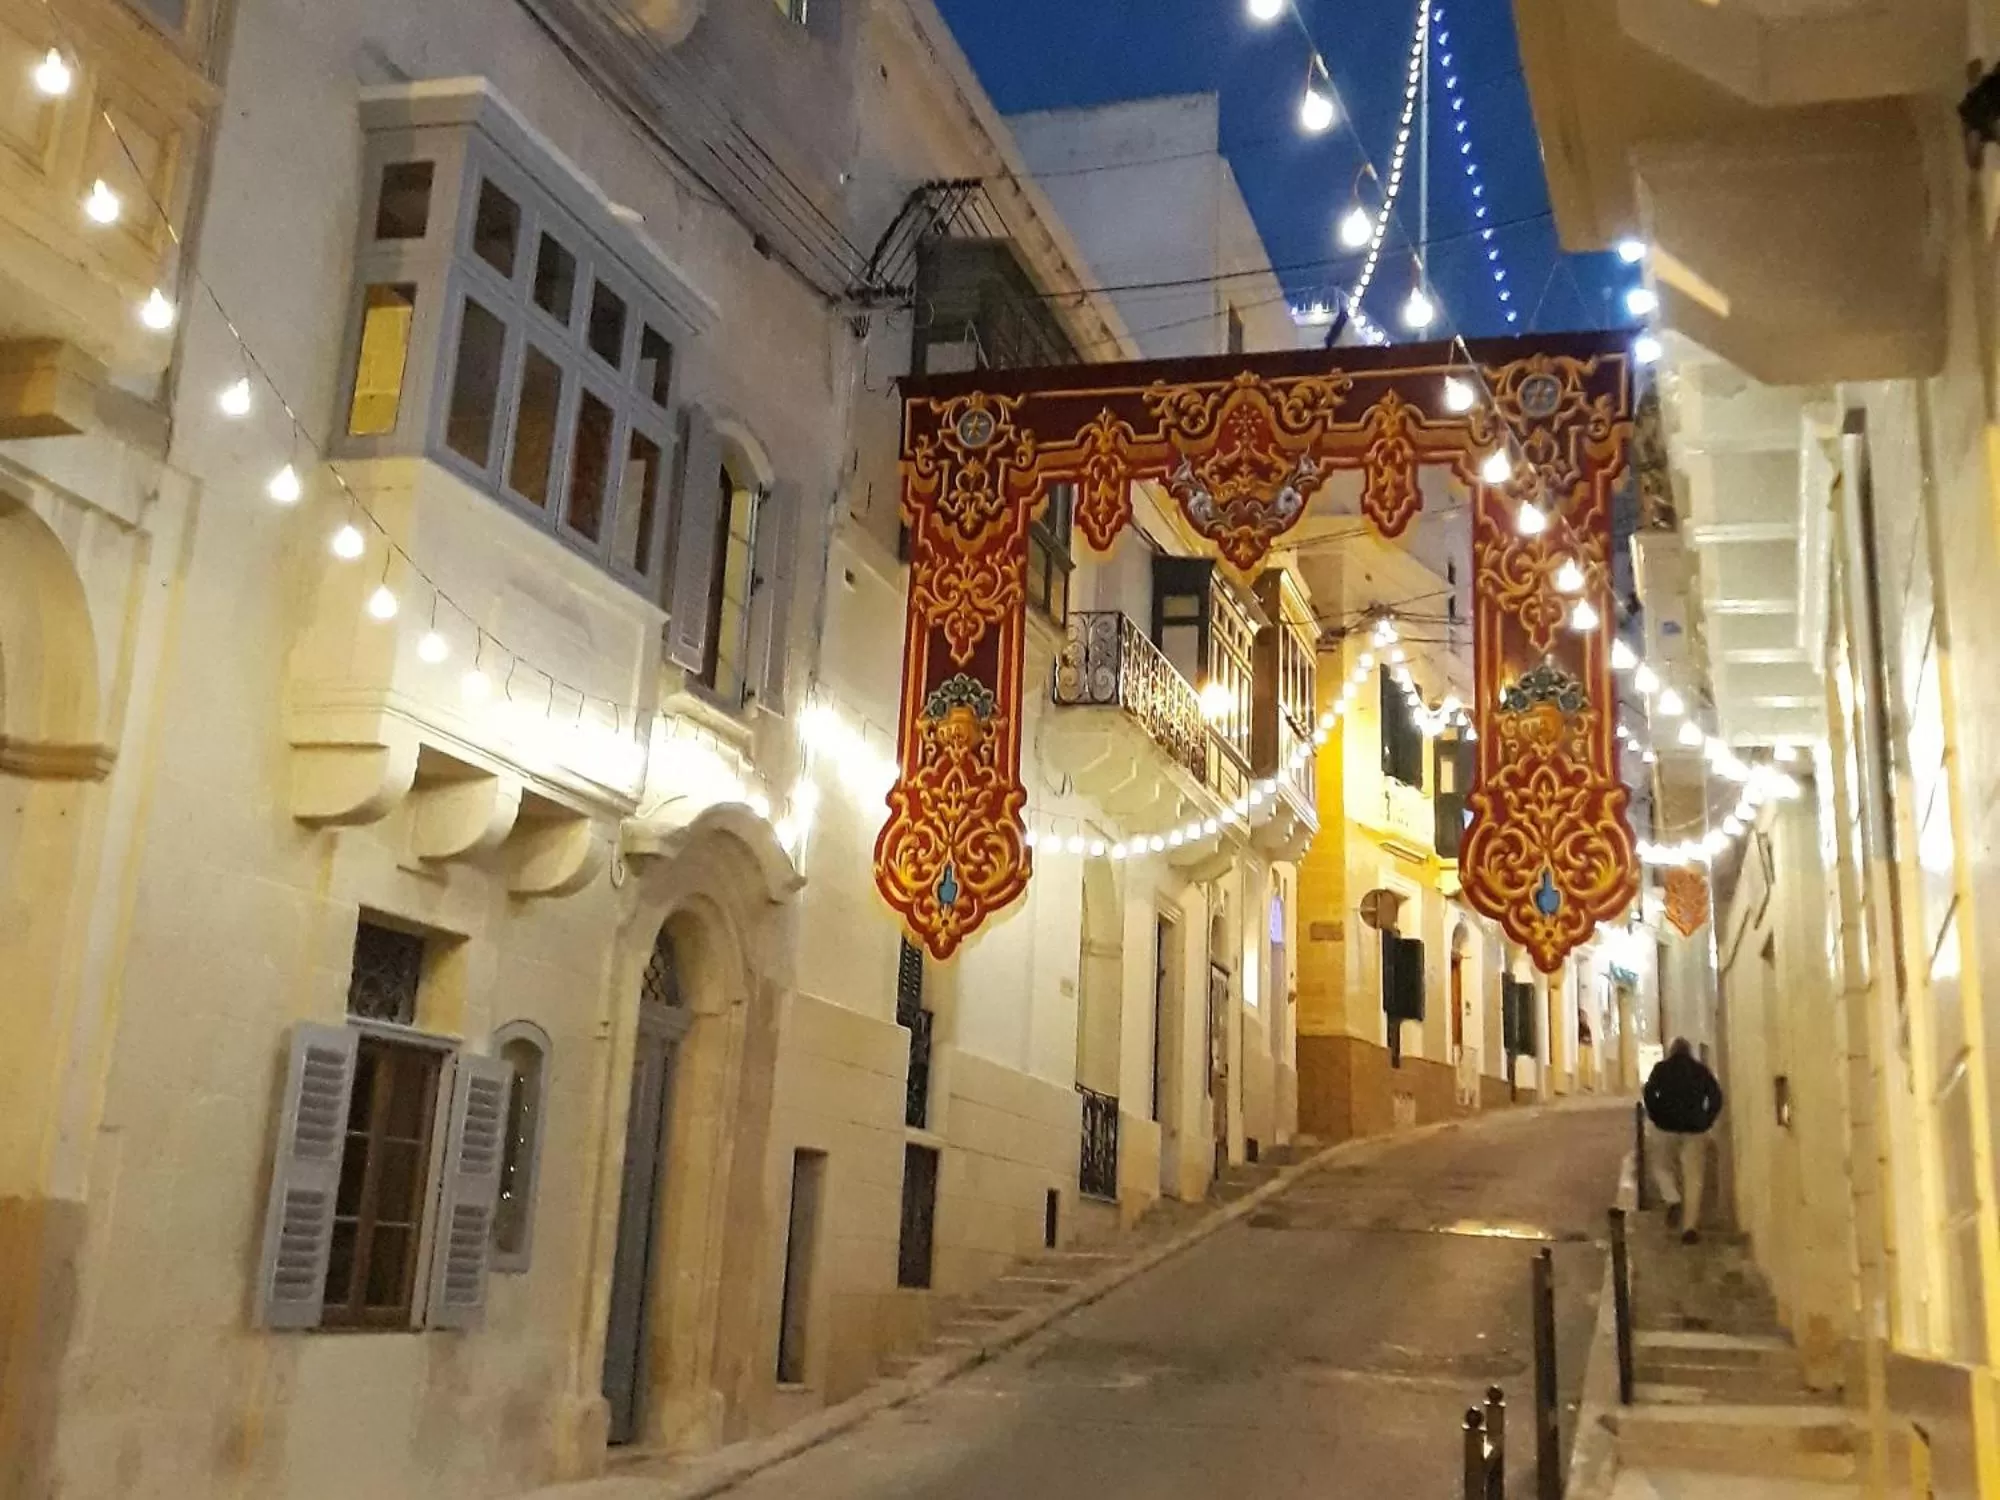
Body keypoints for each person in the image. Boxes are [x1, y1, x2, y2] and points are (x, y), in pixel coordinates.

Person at [1643, 1038, 1725, 1243]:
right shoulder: (1700, 1071)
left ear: (1671, 1052)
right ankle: (1690, 1228)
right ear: (1690, 1052)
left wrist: (1656, 1115)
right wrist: (1707, 1119)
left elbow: (1649, 1093)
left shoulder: (1661, 1069)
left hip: (1666, 1127)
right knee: (1694, 1177)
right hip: (1695, 1129)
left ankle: (1672, 1198)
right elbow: (1716, 1096)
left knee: (1661, 1167)